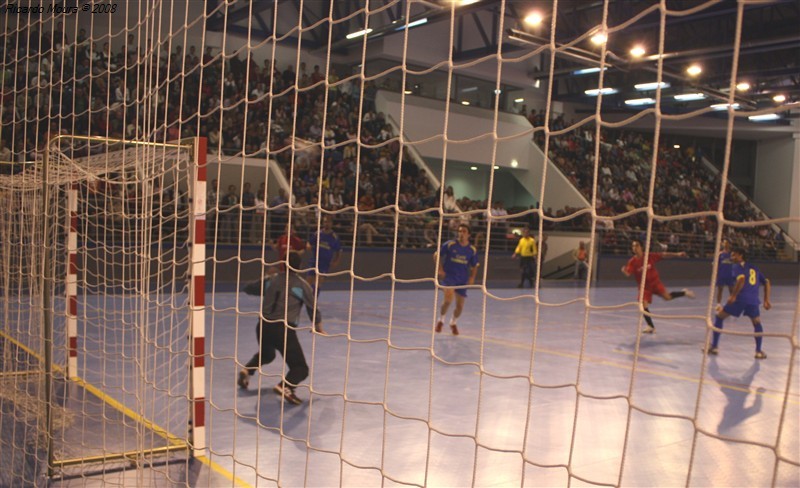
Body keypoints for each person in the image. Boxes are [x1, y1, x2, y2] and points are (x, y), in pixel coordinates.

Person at [238, 251, 322, 404]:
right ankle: (286, 386)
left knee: (267, 354)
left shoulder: (272, 279)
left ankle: (247, 370)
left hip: (263, 326)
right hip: (283, 329)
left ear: (282, 264)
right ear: (300, 266)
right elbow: (312, 307)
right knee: (300, 368)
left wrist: (265, 276)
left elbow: (248, 288)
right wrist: (318, 325)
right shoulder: (303, 285)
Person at [705, 247, 770, 359]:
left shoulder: (737, 267)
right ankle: (758, 351)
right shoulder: (754, 268)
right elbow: (767, 282)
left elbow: (741, 279)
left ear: (741, 256)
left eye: (734, 255)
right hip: (753, 301)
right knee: (757, 323)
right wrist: (766, 300)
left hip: (740, 299)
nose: (731, 257)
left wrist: (733, 295)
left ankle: (714, 346)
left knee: (719, 317)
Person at [621, 239, 695, 334]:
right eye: (633, 246)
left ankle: (684, 292)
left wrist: (677, 254)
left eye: (637, 245)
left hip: (655, 283)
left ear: (641, 247)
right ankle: (651, 326)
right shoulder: (632, 261)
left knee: (667, 297)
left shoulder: (649, 256)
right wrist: (624, 271)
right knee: (643, 305)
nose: (635, 248)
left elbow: (664, 255)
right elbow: (628, 273)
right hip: (644, 287)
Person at [434, 224, 479, 335]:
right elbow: (436, 255)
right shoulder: (450, 244)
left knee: (459, 307)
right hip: (449, 277)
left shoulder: (471, 250)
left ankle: (453, 323)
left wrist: (472, 277)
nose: (461, 233)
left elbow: (475, 265)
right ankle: (441, 320)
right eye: (459, 231)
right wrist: (440, 269)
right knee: (448, 300)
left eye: (464, 231)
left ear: (469, 234)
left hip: (462, 280)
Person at [307, 215, 342, 298]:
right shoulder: (318, 233)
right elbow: (309, 242)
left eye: (328, 222)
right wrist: (308, 246)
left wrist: (336, 261)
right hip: (314, 261)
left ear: (331, 224)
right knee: (308, 282)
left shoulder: (334, 237)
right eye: (325, 222)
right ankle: (306, 298)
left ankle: (314, 300)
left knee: (318, 282)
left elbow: (339, 250)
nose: (327, 224)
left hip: (324, 263)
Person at [715, 238, 735, 304]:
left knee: (731, 290)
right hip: (721, 274)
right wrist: (716, 274)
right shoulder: (720, 254)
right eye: (724, 243)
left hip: (729, 274)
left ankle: (732, 304)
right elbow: (715, 265)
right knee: (720, 290)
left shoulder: (732, 254)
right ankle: (718, 304)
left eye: (727, 243)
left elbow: (736, 262)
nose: (726, 244)